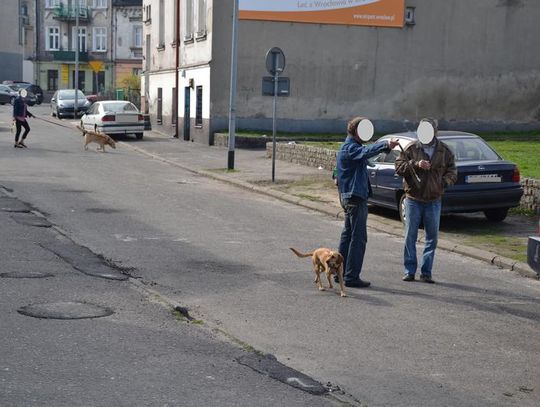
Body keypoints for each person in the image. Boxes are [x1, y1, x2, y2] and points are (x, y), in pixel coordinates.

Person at [336, 117, 399, 288]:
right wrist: (385, 144)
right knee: (358, 238)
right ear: (357, 131)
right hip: (355, 198)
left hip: (349, 197)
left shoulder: (348, 147)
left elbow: (368, 157)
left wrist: (386, 150)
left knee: (348, 235)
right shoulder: (351, 148)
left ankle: (338, 272)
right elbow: (365, 153)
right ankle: (351, 276)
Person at [395, 118, 457, 283]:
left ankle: (426, 272)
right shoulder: (411, 148)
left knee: (432, 238)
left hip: (434, 200)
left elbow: (453, 171)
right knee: (410, 236)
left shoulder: (444, 151)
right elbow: (399, 168)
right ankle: (409, 271)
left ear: (435, 131)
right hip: (413, 199)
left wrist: (443, 184)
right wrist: (415, 164)